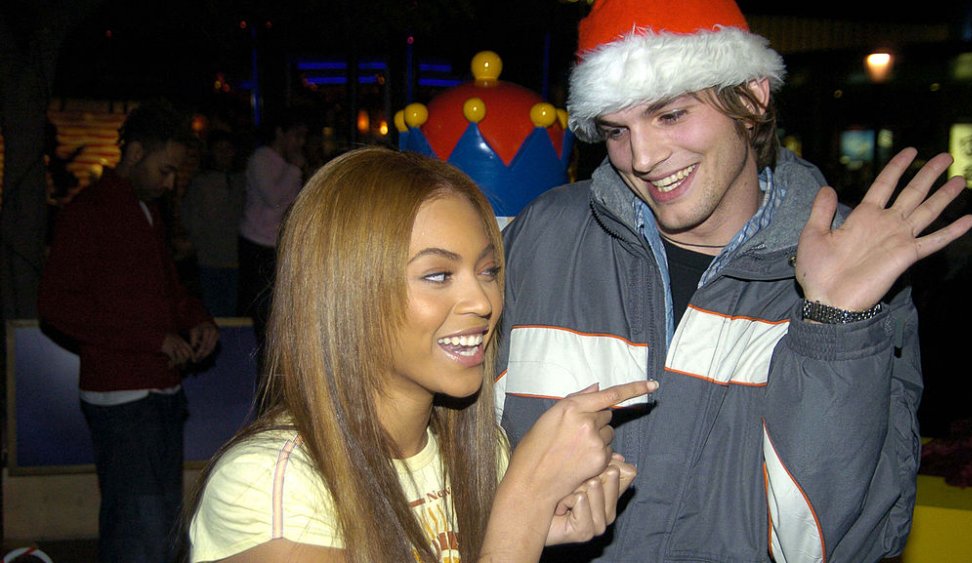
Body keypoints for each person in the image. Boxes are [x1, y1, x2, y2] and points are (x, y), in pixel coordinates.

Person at [495, 1, 972, 561]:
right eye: (616, 130)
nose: (644, 157)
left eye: (670, 114)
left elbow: (839, 547)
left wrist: (837, 325)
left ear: (750, 98)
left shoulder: (858, 270)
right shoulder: (546, 234)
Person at [187, 147, 657, 562]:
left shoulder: (479, 452)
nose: (484, 302)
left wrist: (536, 529)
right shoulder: (270, 481)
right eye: (438, 275)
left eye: (488, 270)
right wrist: (524, 506)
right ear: (347, 292)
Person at [38, 99, 220, 562]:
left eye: (176, 173)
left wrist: (197, 319)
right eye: (166, 169)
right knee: (139, 529)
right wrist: (152, 339)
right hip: (119, 396)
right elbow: (56, 307)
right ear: (135, 153)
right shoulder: (88, 211)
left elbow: (167, 288)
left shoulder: (147, 212)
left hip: (160, 391)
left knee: (160, 525)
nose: (171, 182)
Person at [238, 110, 309, 355]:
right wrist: (295, 169)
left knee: (280, 320)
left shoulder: (287, 165)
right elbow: (273, 199)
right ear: (280, 133)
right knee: (265, 321)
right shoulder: (261, 158)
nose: (300, 143)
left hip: (278, 247)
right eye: (296, 135)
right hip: (257, 245)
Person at [182, 129, 246, 317]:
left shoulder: (243, 180)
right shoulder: (201, 183)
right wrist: (198, 242)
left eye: (228, 149)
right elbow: (191, 216)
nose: (224, 154)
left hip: (236, 259)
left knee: (234, 313)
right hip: (209, 259)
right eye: (219, 149)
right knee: (213, 313)